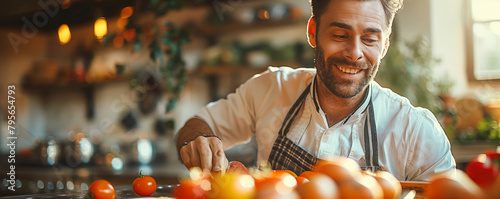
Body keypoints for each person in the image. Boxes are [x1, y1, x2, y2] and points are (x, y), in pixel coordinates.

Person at [175, 0, 456, 181]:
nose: (355, 53)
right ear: (313, 32)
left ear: (384, 45)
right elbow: (198, 125)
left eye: (370, 38)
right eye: (340, 35)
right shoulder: (270, 89)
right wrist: (198, 140)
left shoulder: (415, 131)